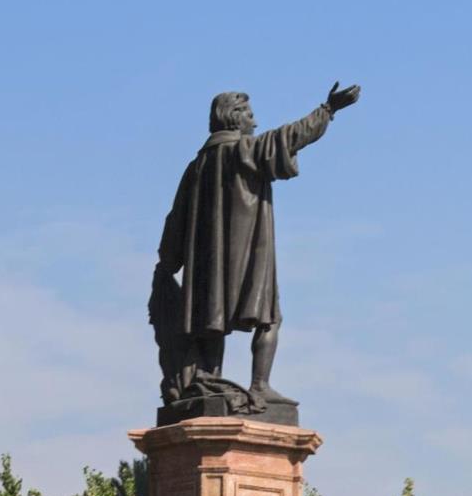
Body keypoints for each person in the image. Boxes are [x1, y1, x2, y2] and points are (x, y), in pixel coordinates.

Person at [153, 84, 362, 415]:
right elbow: (292, 136)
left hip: (208, 266)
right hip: (250, 252)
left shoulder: (196, 167)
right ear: (234, 118)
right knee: (270, 316)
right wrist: (328, 109)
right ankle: (259, 384)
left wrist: (168, 264)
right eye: (249, 115)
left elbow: (174, 221)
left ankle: (210, 377)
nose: (255, 120)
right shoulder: (244, 151)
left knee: (212, 317)